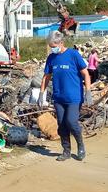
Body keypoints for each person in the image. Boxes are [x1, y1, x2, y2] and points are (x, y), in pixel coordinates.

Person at [39, 31, 92, 161]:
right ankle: (66, 151)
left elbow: (85, 74)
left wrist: (88, 92)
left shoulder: (73, 55)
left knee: (71, 122)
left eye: (54, 46)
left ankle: (80, 146)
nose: (52, 49)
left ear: (61, 43)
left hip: (74, 97)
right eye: (51, 47)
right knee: (62, 125)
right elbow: (46, 77)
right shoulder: (51, 58)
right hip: (58, 98)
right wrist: (41, 94)